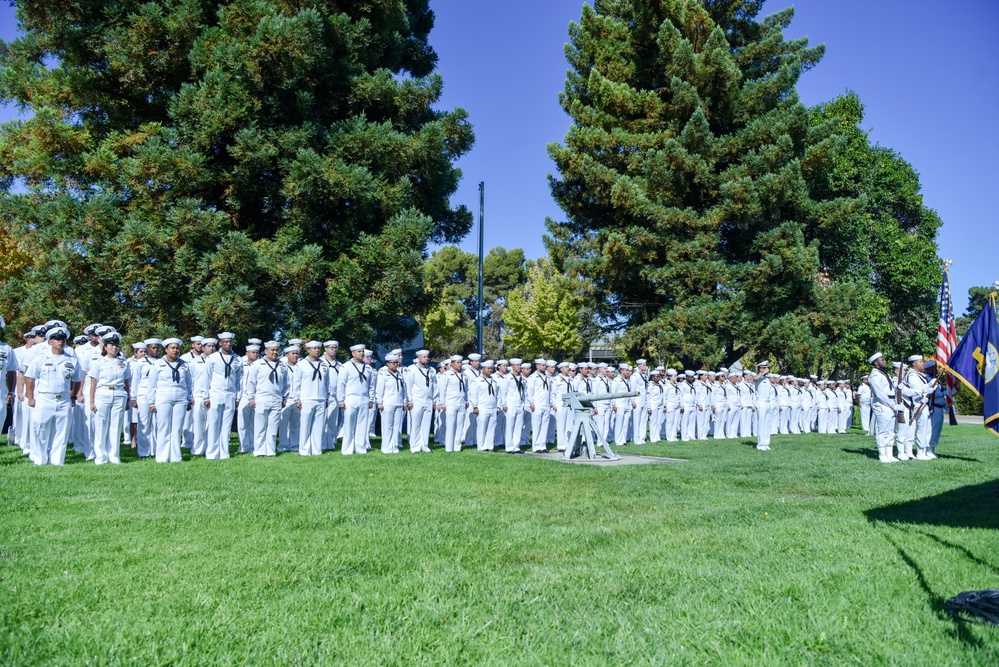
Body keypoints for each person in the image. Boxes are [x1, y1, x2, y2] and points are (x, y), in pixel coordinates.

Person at [23, 326, 84, 465]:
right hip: (45, 398)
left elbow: (77, 379)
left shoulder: (72, 360)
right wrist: (30, 397)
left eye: (63, 339)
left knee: (61, 433)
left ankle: (57, 461)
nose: (60, 342)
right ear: (50, 342)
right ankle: (40, 460)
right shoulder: (41, 358)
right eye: (56, 339)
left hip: (63, 399)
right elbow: (30, 377)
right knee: (40, 430)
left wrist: (73, 396)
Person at [88, 332, 131, 465]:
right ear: (105, 347)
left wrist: (128, 398)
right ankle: (100, 457)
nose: (114, 347)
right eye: (111, 345)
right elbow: (93, 382)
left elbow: (126, 382)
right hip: (103, 394)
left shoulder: (123, 363)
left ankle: (114, 455)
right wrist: (91, 401)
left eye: (116, 345)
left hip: (119, 394)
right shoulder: (99, 362)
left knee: (116, 426)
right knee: (101, 426)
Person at [149, 338, 194, 463]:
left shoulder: (184, 364)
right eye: (172, 348)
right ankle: (162, 457)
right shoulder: (158, 364)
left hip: (180, 398)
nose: (175, 350)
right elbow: (152, 384)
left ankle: (175, 456)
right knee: (164, 427)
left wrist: (189, 399)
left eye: (177, 348)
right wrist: (151, 402)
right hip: (163, 397)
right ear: (166, 350)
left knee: (177, 428)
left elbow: (189, 383)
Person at [246, 341, 288, 457]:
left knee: (273, 428)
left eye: (276, 350)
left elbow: (286, 384)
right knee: (260, 427)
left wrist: (284, 397)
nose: (275, 352)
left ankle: (271, 451)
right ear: (266, 351)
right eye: (272, 350)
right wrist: (251, 398)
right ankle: (259, 451)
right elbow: (250, 382)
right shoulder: (258, 364)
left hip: (277, 399)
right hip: (261, 398)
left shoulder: (282, 365)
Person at [204, 332, 242, 460]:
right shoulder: (213, 358)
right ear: (220, 343)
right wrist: (206, 397)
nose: (228, 344)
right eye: (225, 342)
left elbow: (239, 380)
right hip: (215, 393)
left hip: (230, 394)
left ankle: (224, 452)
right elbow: (206, 378)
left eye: (230, 342)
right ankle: (212, 453)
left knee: (226, 426)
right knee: (214, 423)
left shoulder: (237, 359)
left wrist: (238, 397)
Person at [293, 341, 329, 456]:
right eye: (314, 348)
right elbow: (296, 383)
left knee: (319, 426)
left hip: (321, 398)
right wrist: (297, 399)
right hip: (307, 399)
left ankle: (317, 450)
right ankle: (304, 450)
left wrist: (326, 398)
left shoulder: (324, 364)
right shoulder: (301, 364)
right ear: (308, 350)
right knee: (305, 426)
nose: (317, 350)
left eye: (318, 348)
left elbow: (327, 383)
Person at [338, 344, 374, 455]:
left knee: (362, 425)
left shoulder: (368, 368)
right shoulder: (346, 366)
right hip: (350, 398)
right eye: (359, 351)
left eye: (362, 351)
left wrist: (371, 399)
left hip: (364, 398)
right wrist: (341, 400)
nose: (362, 353)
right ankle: (347, 450)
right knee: (349, 425)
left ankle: (361, 448)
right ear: (353, 353)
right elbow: (341, 384)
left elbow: (371, 385)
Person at [867, 352, 901, 463]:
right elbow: (880, 393)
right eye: (882, 360)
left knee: (891, 431)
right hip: (882, 404)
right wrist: (891, 404)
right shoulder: (875, 375)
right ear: (876, 362)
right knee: (883, 431)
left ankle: (889, 454)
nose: (885, 361)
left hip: (890, 403)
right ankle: (882, 455)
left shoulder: (883, 374)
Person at [404, 349, 435, 453]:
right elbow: (408, 385)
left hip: (428, 399)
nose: (426, 359)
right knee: (416, 423)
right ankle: (415, 445)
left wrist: (435, 399)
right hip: (417, 399)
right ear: (418, 358)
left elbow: (434, 386)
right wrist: (409, 400)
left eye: (427, 357)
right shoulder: (411, 369)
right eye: (424, 357)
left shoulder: (431, 370)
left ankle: (424, 444)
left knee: (426, 424)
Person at [376, 353, 406, 453]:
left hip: (398, 403)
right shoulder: (383, 374)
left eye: (396, 363)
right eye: (393, 363)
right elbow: (379, 390)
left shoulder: (400, 375)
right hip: (387, 403)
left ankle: (394, 445)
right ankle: (386, 447)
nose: (395, 365)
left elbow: (403, 390)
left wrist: (404, 401)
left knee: (396, 426)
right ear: (387, 364)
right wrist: (379, 402)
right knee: (387, 426)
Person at [188, 337, 213, 455]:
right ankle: (197, 449)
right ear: (203, 348)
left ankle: (209, 448)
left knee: (211, 424)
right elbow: (190, 380)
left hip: (212, 396)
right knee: (198, 425)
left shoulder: (217, 361)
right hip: (198, 396)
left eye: (213, 346)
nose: (212, 348)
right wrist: (190, 396)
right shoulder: (194, 362)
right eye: (209, 346)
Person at [439, 355, 467, 453]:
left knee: (460, 425)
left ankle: (457, 446)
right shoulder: (446, 375)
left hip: (461, 402)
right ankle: (449, 448)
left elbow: (465, 389)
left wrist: (466, 400)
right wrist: (442, 403)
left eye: (460, 362)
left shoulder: (463, 375)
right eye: (457, 362)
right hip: (451, 402)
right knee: (451, 425)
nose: (460, 364)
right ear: (452, 364)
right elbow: (442, 390)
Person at [470, 360, 500, 451]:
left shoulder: (494, 381)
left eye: (491, 368)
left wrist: (498, 406)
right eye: (488, 368)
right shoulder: (478, 380)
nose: (490, 370)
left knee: (491, 428)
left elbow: (498, 395)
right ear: (483, 369)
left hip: (492, 407)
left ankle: (490, 446)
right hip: (482, 407)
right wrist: (475, 406)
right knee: (482, 428)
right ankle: (481, 446)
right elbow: (473, 394)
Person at [236, 344, 259, 453]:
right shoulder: (241, 364)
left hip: (256, 396)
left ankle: (253, 445)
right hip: (243, 396)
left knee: (254, 423)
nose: (255, 354)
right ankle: (244, 446)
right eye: (253, 352)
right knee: (242, 423)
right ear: (247, 353)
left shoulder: (260, 364)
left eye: (257, 352)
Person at [321, 341, 342, 451]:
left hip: (335, 395)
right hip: (324, 395)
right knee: (323, 420)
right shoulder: (321, 362)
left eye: (335, 348)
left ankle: (331, 442)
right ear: (325, 349)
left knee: (333, 421)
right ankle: (322, 442)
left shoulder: (339, 364)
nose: (334, 350)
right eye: (332, 348)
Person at [925, 360, 945, 458]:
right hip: (934, 407)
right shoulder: (929, 379)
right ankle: (929, 449)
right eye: (935, 368)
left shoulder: (935, 379)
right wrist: (946, 395)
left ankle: (932, 448)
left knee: (937, 428)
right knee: (933, 428)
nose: (938, 370)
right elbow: (936, 395)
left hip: (939, 408)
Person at [753, 363, 774, 450]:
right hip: (761, 402)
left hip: (767, 403)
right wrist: (762, 373)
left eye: (767, 368)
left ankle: (766, 443)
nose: (767, 369)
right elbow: (754, 378)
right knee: (761, 423)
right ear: (760, 369)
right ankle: (760, 444)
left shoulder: (766, 379)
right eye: (764, 368)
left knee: (767, 424)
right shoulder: (759, 377)